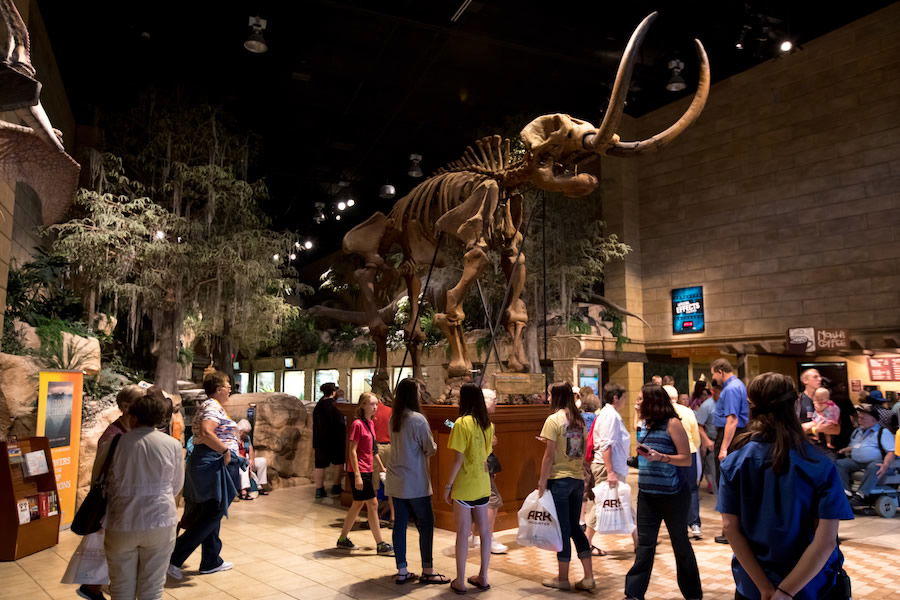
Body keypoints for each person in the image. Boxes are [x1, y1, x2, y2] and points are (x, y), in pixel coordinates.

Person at [717, 372, 854, 600]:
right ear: (795, 403)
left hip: (754, 586)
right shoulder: (819, 463)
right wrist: (786, 593)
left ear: (751, 405)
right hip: (812, 585)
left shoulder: (735, 462)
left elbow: (730, 528)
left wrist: (766, 589)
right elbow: (826, 540)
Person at [100, 388, 184, 600]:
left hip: (122, 521)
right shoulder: (173, 445)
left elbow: (99, 483)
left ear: (133, 416)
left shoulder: (115, 443)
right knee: (153, 587)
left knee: (120, 587)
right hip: (161, 520)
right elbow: (176, 486)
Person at [63, 385, 145, 600]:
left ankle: (95, 586)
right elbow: (106, 470)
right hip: (112, 500)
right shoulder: (114, 435)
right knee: (102, 545)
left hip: (122, 499)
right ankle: (92, 586)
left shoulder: (127, 432)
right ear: (126, 407)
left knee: (108, 546)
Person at [624, 384, 701, 600]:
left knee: (680, 544)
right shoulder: (645, 424)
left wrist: (661, 457)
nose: (637, 403)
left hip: (673, 494)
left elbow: (686, 459)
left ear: (652, 401)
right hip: (647, 494)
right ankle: (633, 593)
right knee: (645, 546)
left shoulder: (673, 424)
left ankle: (693, 594)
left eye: (640, 399)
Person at [169, 371, 241, 579]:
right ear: (218, 389)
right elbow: (208, 432)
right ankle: (174, 557)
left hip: (209, 462)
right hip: (213, 464)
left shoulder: (212, 406)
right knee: (213, 513)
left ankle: (211, 560)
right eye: (227, 385)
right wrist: (225, 451)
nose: (229, 389)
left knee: (211, 511)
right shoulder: (211, 406)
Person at [385, 379, 448, 585]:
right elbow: (430, 448)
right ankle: (427, 569)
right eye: (419, 391)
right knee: (426, 524)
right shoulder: (418, 419)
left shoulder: (394, 418)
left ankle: (402, 570)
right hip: (416, 482)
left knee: (400, 525)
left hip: (396, 481)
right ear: (414, 394)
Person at [538, 383, 595, 592]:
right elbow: (577, 450)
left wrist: (541, 481)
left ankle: (562, 578)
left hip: (558, 479)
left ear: (555, 396)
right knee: (574, 528)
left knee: (562, 529)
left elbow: (549, 455)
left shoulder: (553, 420)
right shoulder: (579, 421)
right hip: (576, 479)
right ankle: (588, 577)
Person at [444, 383, 494, 594]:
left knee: (463, 534)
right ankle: (483, 576)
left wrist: (447, 486)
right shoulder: (488, 425)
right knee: (485, 533)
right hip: (483, 485)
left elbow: (458, 460)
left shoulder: (461, 423)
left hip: (464, 486)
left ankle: (461, 581)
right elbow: (485, 455)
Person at [336, 392, 393, 554]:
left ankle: (343, 538)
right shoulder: (357, 424)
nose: (375, 407)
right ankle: (380, 543)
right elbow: (352, 451)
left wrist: (381, 467)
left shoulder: (370, 423)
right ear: (363, 405)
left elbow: (372, 449)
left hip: (368, 468)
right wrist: (357, 476)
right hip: (359, 470)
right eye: (372, 404)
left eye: (376, 404)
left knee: (358, 504)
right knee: (372, 504)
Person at [585, 382, 636, 556]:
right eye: (623, 398)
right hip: (607, 467)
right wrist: (611, 471)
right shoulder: (610, 415)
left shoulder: (610, 414)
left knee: (622, 501)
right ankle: (586, 542)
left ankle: (638, 540)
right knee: (601, 504)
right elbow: (606, 445)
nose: (625, 401)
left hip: (611, 466)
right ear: (616, 397)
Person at [711, 357, 749, 544]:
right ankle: (731, 529)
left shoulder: (732, 388)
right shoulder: (736, 386)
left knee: (726, 482)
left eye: (713, 374)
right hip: (733, 436)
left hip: (731, 437)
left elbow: (732, 419)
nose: (714, 378)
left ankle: (731, 530)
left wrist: (724, 447)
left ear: (720, 371)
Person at [469, 388, 508, 554]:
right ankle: (488, 538)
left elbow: (449, 423)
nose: (496, 403)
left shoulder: (466, 419)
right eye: (494, 399)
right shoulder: (485, 424)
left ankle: (473, 536)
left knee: (473, 501)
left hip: (471, 468)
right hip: (482, 467)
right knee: (492, 500)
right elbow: (448, 423)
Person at [663, 384, 703, 540]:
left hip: (670, 455)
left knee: (673, 489)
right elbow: (696, 434)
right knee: (692, 489)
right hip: (690, 452)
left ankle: (677, 525)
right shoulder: (688, 412)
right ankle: (695, 524)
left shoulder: (664, 414)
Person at [835, 404, 895, 505]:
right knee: (839, 463)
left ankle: (861, 495)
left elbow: (891, 451)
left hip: (874, 461)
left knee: (875, 466)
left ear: (874, 420)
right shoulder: (858, 431)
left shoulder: (883, 432)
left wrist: (885, 465)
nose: (860, 420)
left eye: (863, 418)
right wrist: (847, 449)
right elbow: (857, 446)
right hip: (856, 462)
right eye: (859, 417)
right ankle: (846, 493)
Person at [312, 382, 346, 498]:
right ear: (333, 392)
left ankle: (319, 489)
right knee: (339, 462)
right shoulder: (335, 406)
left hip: (319, 440)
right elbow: (341, 423)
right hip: (335, 440)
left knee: (320, 465)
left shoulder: (318, 405)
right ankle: (336, 486)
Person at [692, 383, 718, 494]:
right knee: (715, 473)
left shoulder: (728, 403)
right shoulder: (707, 406)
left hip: (727, 442)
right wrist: (706, 441)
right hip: (712, 443)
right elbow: (699, 425)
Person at [373, 395, 394, 525]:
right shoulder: (390, 410)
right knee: (391, 484)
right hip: (391, 447)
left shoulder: (371, 413)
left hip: (376, 448)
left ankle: (374, 517)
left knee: (374, 485)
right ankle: (393, 517)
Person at [235, 419, 268, 500]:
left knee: (262, 461)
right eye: (244, 432)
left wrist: (252, 460)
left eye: (247, 432)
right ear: (240, 430)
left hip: (246, 457)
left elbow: (251, 450)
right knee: (245, 464)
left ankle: (261, 485)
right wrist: (246, 461)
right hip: (237, 459)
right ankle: (244, 491)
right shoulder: (234, 437)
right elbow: (234, 451)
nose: (245, 434)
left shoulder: (247, 438)